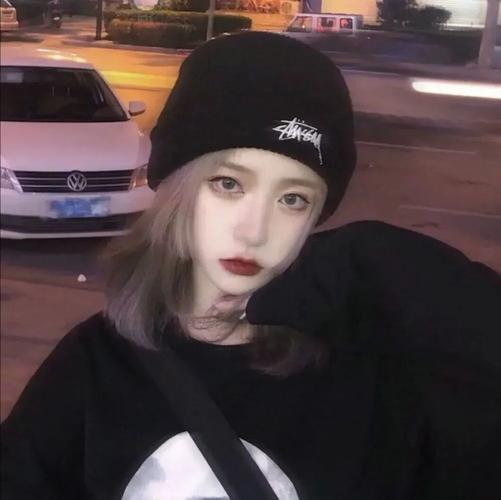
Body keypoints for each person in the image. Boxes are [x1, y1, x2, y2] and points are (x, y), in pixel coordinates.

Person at [2, 32, 500, 500]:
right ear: (177, 190)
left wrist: (422, 282)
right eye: (228, 184)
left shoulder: (364, 374)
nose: (254, 231)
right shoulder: (94, 366)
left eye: (292, 199)